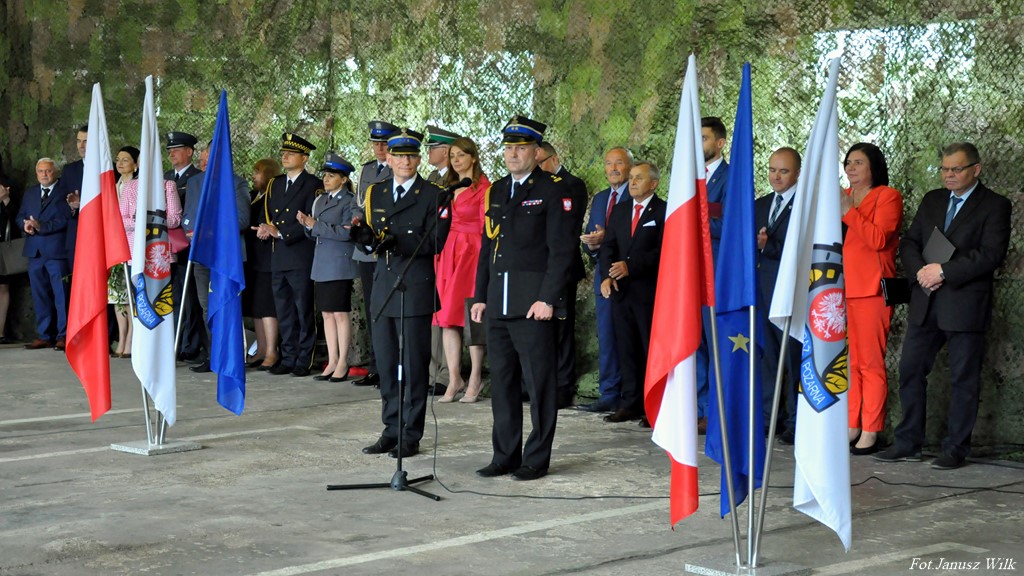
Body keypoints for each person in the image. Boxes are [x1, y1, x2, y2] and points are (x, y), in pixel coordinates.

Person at [875, 142, 1011, 470]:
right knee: (910, 369)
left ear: (976, 169)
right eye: (944, 169)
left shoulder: (995, 205)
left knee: (963, 378)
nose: (949, 175)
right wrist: (922, 272)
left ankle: (955, 449)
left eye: (956, 169)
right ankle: (908, 442)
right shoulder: (933, 199)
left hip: (964, 305)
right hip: (926, 301)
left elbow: (991, 254)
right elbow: (910, 242)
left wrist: (944, 271)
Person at [471, 116, 575, 481]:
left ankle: (536, 459)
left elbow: (561, 251)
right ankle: (505, 455)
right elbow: (488, 247)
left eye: (521, 148)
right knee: (502, 383)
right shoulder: (498, 190)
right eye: (508, 148)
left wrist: (548, 298)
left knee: (539, 384)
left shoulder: (553, 189)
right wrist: (480, 295)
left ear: (536, 151)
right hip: (498, 302)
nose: (513, 154)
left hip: (533, 305)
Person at [354, 128, 450, 459]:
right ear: (390, 159)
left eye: (411, 156)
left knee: (413, 366)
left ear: (419, 159)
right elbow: (373, 237)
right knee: (386, 362)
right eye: (399, 156)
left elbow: (436, 241)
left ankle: (411, 433)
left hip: (414, 286)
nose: (405, 161)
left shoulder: (433, 195)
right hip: (384, 286)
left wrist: (397, 242)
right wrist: (365, 239)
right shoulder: (376, 192)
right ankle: (390, 429)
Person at [840, 143, 904, 455]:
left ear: (873, 167)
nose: (851, 168)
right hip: (840, 289)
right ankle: (852, 423)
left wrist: (848, 212)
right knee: (850, 362)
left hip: (871, 290)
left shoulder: (887, 196)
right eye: (848, 162)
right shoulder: (843, 195)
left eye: (858, 162)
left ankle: (871, 428)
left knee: (870, 363)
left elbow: (878, 239)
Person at [599, 162, 666, 426]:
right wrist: (607, 275)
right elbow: (608, 246)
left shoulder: (663, 210)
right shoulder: (620, 210)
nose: (633, 182)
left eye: (639, 178)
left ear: (654, 184)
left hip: (648, 293)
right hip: (621, 292)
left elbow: (664, 251)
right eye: (632, 178)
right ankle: (630, 403)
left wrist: (631, 266)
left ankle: (654, 407)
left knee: (649, 348)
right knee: (625, 348)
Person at [251, 133, 322, 377]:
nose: (285, 156)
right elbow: (268, 214)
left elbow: (310, 222)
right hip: (278, 256)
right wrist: (265, 228)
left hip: (300, 255)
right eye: (284, 152)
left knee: (303, 309)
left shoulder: (313, 184)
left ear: (304, 158)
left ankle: (304, 359)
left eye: (292, 153)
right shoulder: (275, 184)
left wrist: (280, 232)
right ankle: (288, 356)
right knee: (284, 310)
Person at [182, 143, 252, 373]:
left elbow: (242, 220)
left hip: (225, 258)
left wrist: (210, 231)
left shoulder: (237, 183)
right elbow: (187, 216)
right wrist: (190, 230)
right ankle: (214, 356)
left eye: (210, 157)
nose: (205, 162)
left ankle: (231, 357)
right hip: (201, 255)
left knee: (227, 304)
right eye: (204, 158)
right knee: (207, 307)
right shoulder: (195, 182)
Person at [434, 136, 490, 403]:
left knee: (471, 317)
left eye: (461, 155)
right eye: (452, 155)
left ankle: (476, 378)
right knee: (446, 317)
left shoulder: (484, 188)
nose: (456, 160)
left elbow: (486, 228)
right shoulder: (449, 187)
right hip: (448, 253)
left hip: (472, 253)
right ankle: (455, 378)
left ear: (473, 157)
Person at [578, 147, 632, 412]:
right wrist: (591, 244)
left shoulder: (638, 195)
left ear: (630, 166)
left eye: (619, 163)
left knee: (630, 339)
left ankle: (631, 397)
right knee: (607, 338)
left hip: (631, 277)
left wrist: (607, 238)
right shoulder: (600, 199)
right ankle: (608, 394)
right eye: (608, 163)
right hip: (603, 277)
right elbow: (591, 240)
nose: (613, 168)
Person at [296, 153, 359, 382]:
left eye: (331, 176)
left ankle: (343, 361)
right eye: (325, 175)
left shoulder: (349, 201)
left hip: (339, 264)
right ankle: (332, 360)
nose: (326, 179)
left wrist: (316, 225)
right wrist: (307, 225)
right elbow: (314, 233)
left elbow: (347, 233)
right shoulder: (320, 200)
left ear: (343, 179)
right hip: (322, 263)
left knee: (340, 313)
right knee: (326, 314)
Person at [755, 147, 802, 443]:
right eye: (772, 170)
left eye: (783, 171)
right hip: (762, 292)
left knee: (792, 358)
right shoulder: (760, 204)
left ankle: (796, 422)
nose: (776, 177)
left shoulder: (805, 205)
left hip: (790, 293)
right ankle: (769, 418)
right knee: (767, 356)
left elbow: (803, 249)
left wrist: (768, 246)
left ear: (797, 173)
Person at [537, 141, 587, 409]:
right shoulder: (534, 185)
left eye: (541, 162)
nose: (537, 168)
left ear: (554, 159)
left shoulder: (572, 184)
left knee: (562, 327)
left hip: (563, 266)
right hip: (537, 268)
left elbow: (569, 227)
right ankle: (541, 384)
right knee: (541, 330)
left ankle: (563, 386)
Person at [352, 120, 398, 387]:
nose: (379, 148)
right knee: (371, 309)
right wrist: (356, 221)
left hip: (388, 247)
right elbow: (359, 203)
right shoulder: (367, 170)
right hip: (366, 248)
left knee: (389, 308)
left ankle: (392, 367)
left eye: (384, 143)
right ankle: (376, 366)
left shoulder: (398, 168)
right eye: (376, 143)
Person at [694, 116, 729, 434]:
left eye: (704, 138)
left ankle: (717, 410)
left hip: (716, 272)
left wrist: (697, 220)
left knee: (715, 342)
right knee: (695, 342)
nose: (699, 142)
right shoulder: (689, 178)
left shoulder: (730, 178)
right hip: (689, 272)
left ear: (719, 143)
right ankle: (699, 408)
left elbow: (731, 225)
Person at [16, 158, 71, 351]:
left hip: (57, 251)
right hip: (35, 252)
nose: (44, 174)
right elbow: (20, 216)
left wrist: (42, 226)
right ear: (36, 173)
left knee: (62, 295)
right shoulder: (30, 192)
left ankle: (64, 336)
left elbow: (66, 219)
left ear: (55, 171)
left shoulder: (65, 191)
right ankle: (45, 335)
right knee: (39, 295)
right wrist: (25, 225)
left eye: (48, 171)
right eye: (40, 171)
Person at [424, 125, 461, 394]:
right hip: (431, 250)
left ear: (445, 151)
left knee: (448, 313)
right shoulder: (431, 177)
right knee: (433, 312)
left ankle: (447, 374)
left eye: (432, 148)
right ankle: (432, 371)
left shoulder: (456, 179)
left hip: (451, 250)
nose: (428, 152)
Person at [164, 131, 204, 362]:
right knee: (173, 296)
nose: (172, 154)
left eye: (177, 150)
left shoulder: (197, 178)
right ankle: (174, 343)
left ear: (189, 152)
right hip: (166, 247)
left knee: (190, 297)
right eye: (170, 150)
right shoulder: (166, 177)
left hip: (188, 244)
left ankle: (190, 344)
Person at [245, 158, 282, 370]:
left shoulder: (273, 196)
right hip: (253, 257)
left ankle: (271, 351)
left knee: (267, 307)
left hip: (268, 257)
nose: (253, 176)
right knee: (256, 307)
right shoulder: (254, 196)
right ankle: (261, 349)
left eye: (257, 172)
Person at [63, 125, 87, 268]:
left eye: (85, 141)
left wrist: (83, 202)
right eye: (78, 141)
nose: (81, 146)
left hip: (103, 236)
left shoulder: (109, 169)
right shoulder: (69, 170)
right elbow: (60, 204)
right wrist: (72, 207)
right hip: (76, 238)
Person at [0, 153, 18, 344]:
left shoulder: (7, 184)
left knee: (3, 286)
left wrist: (5, 199)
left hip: (2, 244)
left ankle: (1, 331)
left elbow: (16, 215)